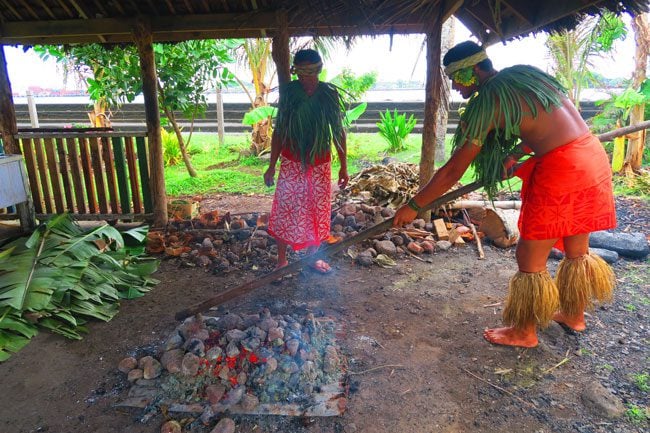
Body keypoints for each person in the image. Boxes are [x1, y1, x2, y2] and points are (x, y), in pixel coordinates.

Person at [392, 41, 616, 348]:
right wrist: (518, 151)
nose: (455, 86)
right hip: (590, 156)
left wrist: (415, 204)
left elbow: (453, 170)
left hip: (561, 170)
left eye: (457, 77)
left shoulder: (488, 101)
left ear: (473, 70)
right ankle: (574, 314)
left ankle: (524, 332)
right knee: (576, 248)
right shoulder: (524, 75)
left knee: (529, 255)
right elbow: (547, 120)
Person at [264, 49, 348, 274]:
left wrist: (344, 167)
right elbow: (280, 131)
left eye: (310, 74)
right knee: (286, 207)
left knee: (317, 209)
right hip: (292, 161)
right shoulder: (289, 93)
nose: (306, 80)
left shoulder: (328, 94)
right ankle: (282, 260)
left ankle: (313, 257)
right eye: (301, 75)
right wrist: (271, 165)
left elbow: (339, 132)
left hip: (320, 163)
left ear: (319, 71)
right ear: (296, 73)